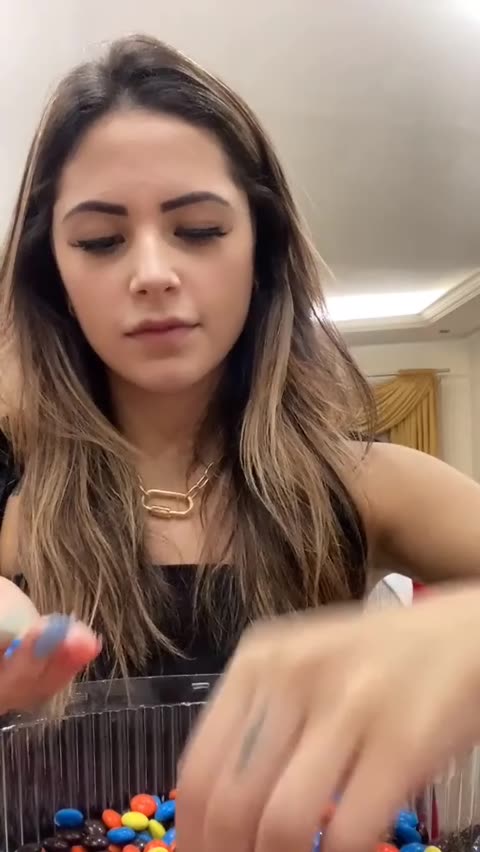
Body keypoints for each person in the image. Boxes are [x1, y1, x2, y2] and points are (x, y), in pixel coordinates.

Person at [1, 32, 480, 852]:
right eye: (101, 241)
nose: (152, 273)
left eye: (197, 229)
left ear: (261, 252)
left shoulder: (368, 482)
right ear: (55, 277)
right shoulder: (16, 510)